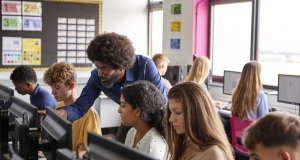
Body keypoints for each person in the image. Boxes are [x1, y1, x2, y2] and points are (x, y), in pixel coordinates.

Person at [56, 32, 167, 143]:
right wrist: (63, 113)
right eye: (98, 67)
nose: (100, 73)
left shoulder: (145, 66)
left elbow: (161, 105)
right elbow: (80, 107)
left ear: (121, 66)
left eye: (104, 68)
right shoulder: (96, 77)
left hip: (156, 118)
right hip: (130, 118)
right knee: (117, 152)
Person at [165, 82, 234, 160]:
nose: (170, 119)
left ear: (197, 114)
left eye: (178, 112)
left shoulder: (214, 155)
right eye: (171, 112)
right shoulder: (185, 143)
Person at [43, 62, 101, 151]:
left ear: (71, 86)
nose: (53, 92)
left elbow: (94, 152)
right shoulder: (59, 107)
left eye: (57, 88)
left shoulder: (90, 114)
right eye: (52, 88)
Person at [118, 81, 168, 159]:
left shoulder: (154, 145)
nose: (119, 110)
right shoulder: (131, 132)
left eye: (123, 106)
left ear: (137, 111)